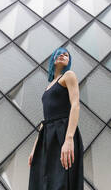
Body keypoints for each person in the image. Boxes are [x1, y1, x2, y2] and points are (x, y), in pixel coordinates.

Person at [28, 47, 84, 190]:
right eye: (59, 54)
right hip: (47, 136)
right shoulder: (48, 87)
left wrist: (69, 138)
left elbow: (75, 105)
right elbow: (44, 120)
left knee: (61, 181)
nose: (62, 55)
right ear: (53, 59)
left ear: (69, 61)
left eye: (66, 55)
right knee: (42, 182)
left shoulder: (69, 76)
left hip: (63, 133)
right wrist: (35, 148)